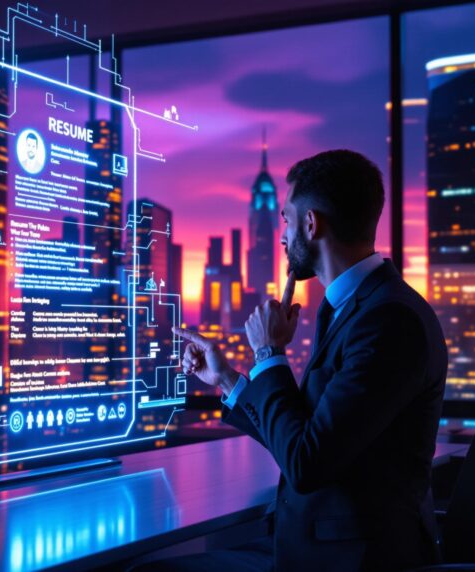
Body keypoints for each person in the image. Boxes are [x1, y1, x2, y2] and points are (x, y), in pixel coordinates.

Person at [149, 150, 448, 571]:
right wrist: (228, 379)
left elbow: (307, 463)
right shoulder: (352, 309)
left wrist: (269, 354)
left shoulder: (389, 321)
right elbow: (305, 432)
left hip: (349, 559)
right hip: (313, 546)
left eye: (286, 219)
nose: (282, 236)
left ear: (312, 223)